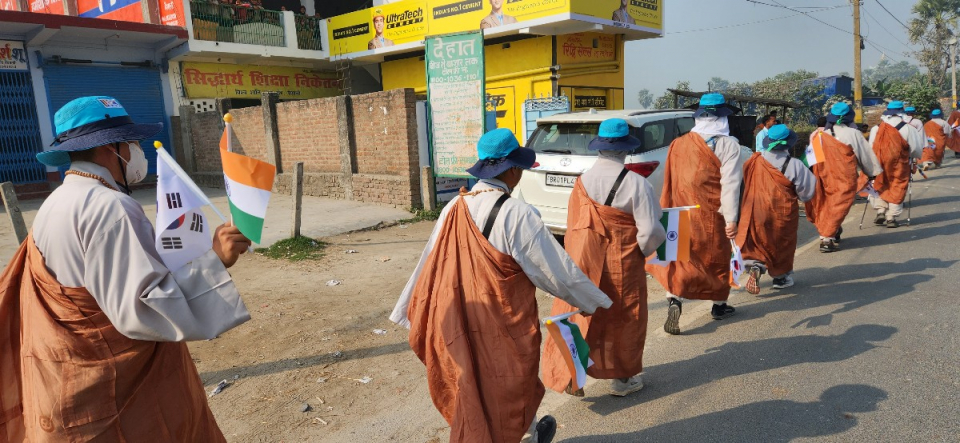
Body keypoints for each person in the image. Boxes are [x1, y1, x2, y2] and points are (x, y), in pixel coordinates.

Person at [0, 96, 252, 441]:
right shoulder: (110, 207)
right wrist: (215, 260)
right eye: (133, 142)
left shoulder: (55, 202)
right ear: (111, 146)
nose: (138, 151)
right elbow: (142, 308)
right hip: (111, 391)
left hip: (68, 377)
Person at [390, 128, 612, 443]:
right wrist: (594, 302)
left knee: (470, 384)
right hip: (502, 324)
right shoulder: (518, 214)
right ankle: (523, 433)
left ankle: (527, 432)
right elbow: (555, 272)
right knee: (510, 380)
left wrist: (410, 311)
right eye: (519, 168)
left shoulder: (452, 208)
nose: (520, 174)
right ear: (510, 169)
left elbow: (428, 264)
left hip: (461, 319)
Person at [541, 119, 665, 398]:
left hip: (585, 260)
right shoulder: (637, 184)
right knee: (625, 317)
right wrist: (642, 252)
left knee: (584, 313)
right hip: (624, 262)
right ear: (625, 149)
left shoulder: (582, 182)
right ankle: (622, 379)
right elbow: (650, 232)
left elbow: (574, 225)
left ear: (599, 147)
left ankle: (574, 373)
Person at [646, 93, 741, 335]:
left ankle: (674, 298)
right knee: (715, 257)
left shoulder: (679, 143)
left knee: (680, 255)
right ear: (723, 117)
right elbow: (730, 184)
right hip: (711, 212)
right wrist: (731, 218)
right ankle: (719, 305)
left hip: (680, 209)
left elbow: (670, 180)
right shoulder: (728, 144)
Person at [740, 124, 816, 294]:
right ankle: (780, 278)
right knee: (781, 243)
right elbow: (807, 191)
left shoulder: (754, 160)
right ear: (788, 143)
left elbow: (746, 180)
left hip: (757, 208)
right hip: (783, 210)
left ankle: (757, 265)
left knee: (759, 240)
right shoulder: (794, 164)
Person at [804, 103, 883, 252]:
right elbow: (864, 155)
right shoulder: (853, 133)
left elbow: (811, 158)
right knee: (839, 205)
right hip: (844, 176)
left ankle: (830, 233)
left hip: (822, 175)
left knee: (825, 204)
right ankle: (826, 238)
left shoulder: (817, 135)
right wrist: (871, 172)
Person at [868, 101, 924, 228]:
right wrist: (913, 159)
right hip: (900, 164)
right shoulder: (908, 128)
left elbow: (871, 147)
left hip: (879, 163)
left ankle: (880, 210)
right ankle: (891, 217)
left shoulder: (876, 128)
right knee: (897, 186)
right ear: (901, 112)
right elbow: (915, 149)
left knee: (879, 183)